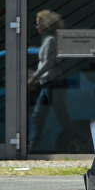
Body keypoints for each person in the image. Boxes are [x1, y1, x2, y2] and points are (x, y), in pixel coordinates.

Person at [27, 9, 67, 152]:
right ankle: (32, 146)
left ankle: (80, 139)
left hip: (52, 83)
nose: (36, 26)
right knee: (38, 116)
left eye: (38, 23)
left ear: (46, 24)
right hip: (48, 83)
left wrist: (34, 77)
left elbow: (48, 63)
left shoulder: (50, 40)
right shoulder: (47, 39)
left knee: (61, 118)